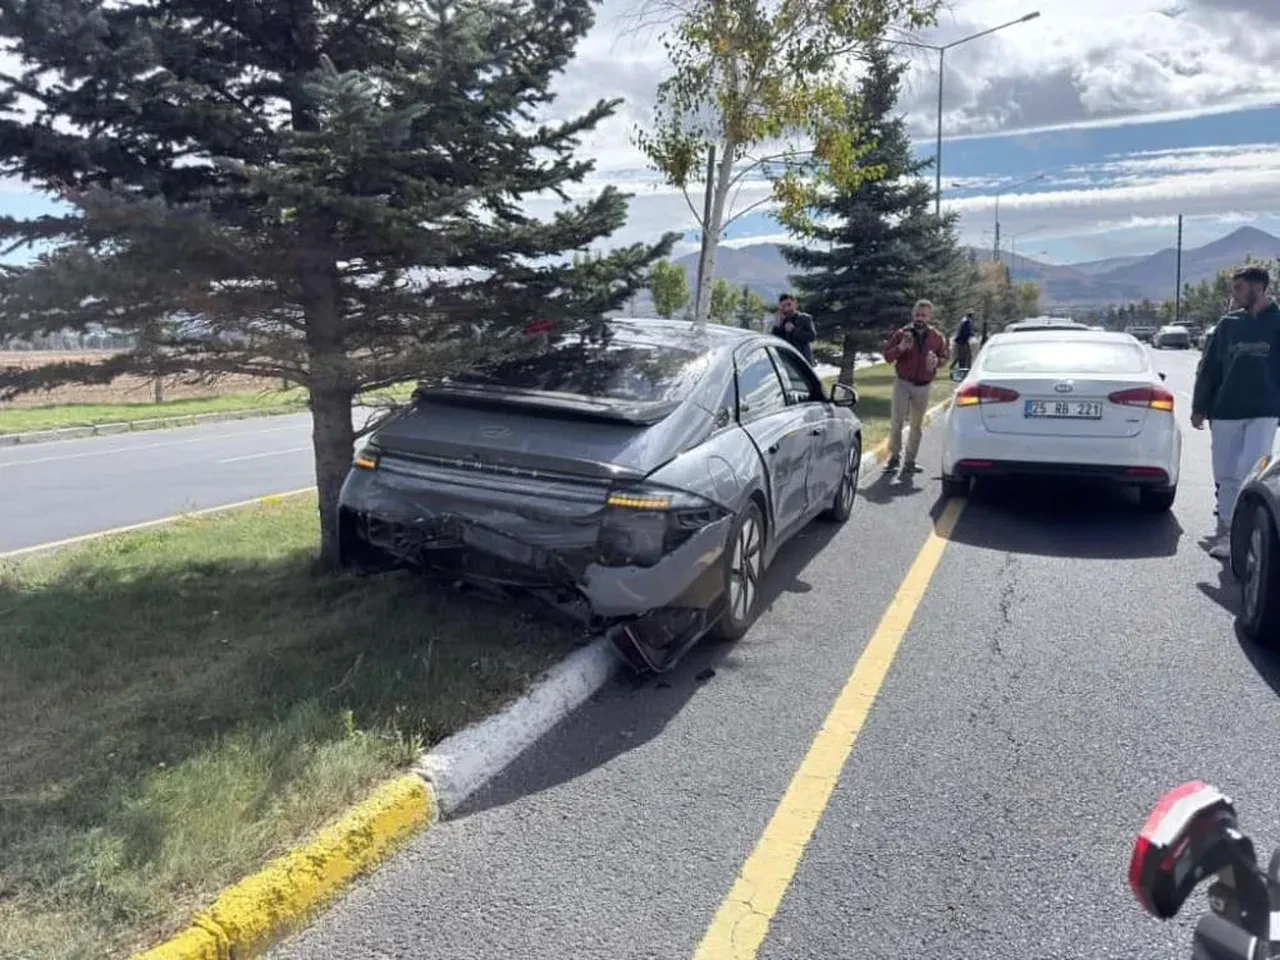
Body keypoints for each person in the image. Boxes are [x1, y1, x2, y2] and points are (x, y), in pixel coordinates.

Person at [1191, 267, 1280, 559]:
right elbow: (1210, 368)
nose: (1234, 294)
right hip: (1226, 410)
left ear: (1259, 289)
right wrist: (1199, 407)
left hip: (1264, 411)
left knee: (1250, 470)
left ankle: (1247, 536)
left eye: (1239, 288)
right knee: (1226, 474)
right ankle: (1226, 532)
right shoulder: (1228, 325)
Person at [882, 299, 949, 478]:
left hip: (923, 386)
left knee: (916, 426)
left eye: (924, 315)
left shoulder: (936, 337)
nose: (920, 318)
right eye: (917, 314)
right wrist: (901, 348)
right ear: (913, 315)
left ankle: (910, 461)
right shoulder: (902, 334)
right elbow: (887, 357)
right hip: (903, 383)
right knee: (896, 422)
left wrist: (937, 362)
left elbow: (944, 358)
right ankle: (894, 457)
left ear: (929, 317)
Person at [770, 293, 816, 366]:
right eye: (784, 306)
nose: (787, 308)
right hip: (788, 362)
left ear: (795, 304)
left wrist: (794, 330)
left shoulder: (804, 318)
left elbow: (812, 337)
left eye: (789, 305)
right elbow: (775, 340)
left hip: (803, 360)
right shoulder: (781, 322)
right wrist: (777, 326)